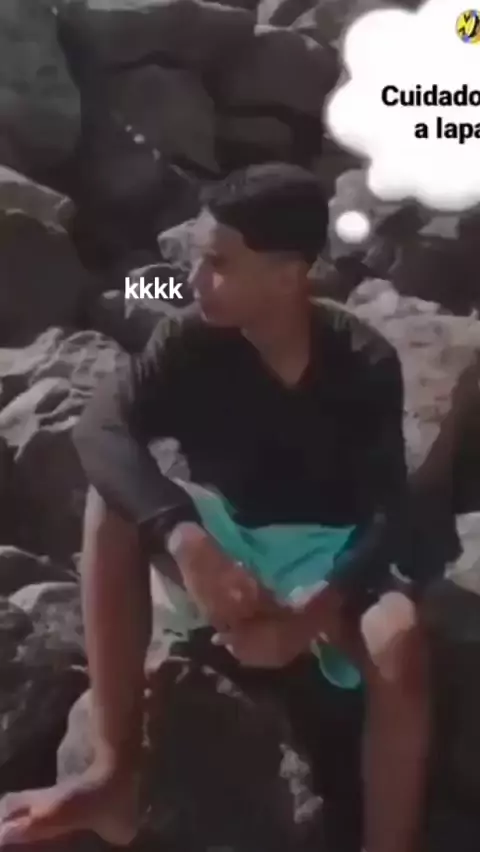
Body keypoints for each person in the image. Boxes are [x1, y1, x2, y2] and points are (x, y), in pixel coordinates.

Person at [0, 164, 430, 852]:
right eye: (195, 260)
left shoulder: (363, 360)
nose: (193, 280)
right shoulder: (189, 342)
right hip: (221, 537)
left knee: (399, 639)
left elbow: (388, 509)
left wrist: (309, 616)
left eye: (219, 264)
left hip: (325, 557)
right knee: (111, 504)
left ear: (287, 276)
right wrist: (185, 539)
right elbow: (99, 429)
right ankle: (111, 777)